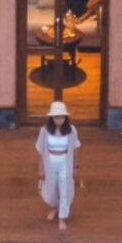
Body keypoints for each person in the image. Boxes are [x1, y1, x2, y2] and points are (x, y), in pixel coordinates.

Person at [36, 98, 80, 229]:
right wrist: (41, 168)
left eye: (61, 117)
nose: (58, 120)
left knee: (64, 188)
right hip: (50, 162)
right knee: (51, 188)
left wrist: (75, 167)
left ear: (65, 118)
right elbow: (41, 150)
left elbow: (75, 149)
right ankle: (55, 207)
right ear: (51, 118)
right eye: (56, 117)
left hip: (65, 162)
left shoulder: (72, 130)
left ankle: (62, 217)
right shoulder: (44, 131)